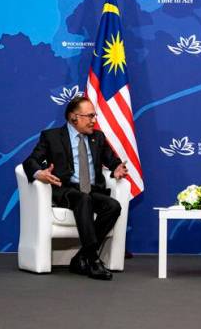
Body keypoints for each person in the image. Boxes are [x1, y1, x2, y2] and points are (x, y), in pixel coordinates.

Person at [23, 96, 128, 280]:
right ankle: (94, 261)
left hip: (93, 190)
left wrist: (117, 168)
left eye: (94, 116)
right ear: (74, 118)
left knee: (113, 206)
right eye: (89, 116)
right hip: (66, 190)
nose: (93, 120)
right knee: (83, 199)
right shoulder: (52, 137)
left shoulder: (98, 137)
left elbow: (112, 161)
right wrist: (40, 174)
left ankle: (82, 257)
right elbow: (30, 161)